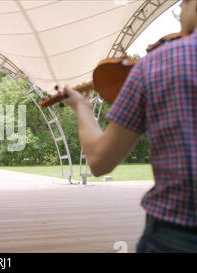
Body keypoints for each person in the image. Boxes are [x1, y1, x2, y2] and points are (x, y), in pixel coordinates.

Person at [63, 0, 197, 252]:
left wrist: (82, 107)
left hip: (175, 233)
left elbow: (100, 161)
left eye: (180, 9)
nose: (180, 20)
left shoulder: (157, 63)